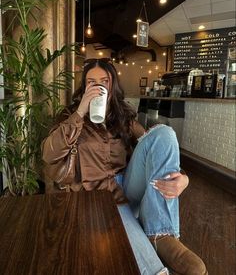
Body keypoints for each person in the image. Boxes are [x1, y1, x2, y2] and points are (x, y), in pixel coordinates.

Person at [42, 58, 208, 275]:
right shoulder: (70, 115)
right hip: (96, 195)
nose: (98, 86)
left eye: (104, 81)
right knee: (147, 265)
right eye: (91, 82)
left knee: (164, 133)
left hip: (127, 186)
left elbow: (154, 148)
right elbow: (49, 154)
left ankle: (160, 234)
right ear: (84, 86)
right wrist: (80, 112)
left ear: (112, 85)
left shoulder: (123, 115)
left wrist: (183, 178)